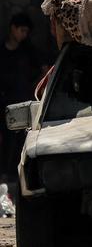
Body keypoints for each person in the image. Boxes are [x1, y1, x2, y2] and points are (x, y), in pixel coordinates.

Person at [0, 13, 47, 182]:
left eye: (26, 32)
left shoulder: (28, 51)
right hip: (4, 102)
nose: (24, 35)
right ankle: (5, 173)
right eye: (22, 30)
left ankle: (17, 174)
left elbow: (44, 69)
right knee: (6, 140)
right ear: (13, 28)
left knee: (21, 139)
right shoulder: (2, 51)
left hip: (22, 102)